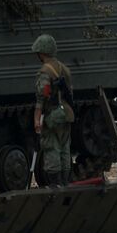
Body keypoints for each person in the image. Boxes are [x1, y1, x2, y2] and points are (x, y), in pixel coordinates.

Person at [32, 34, 75, 187]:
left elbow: (41, 98)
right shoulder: (65, 69)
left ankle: (55, 186)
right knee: (64, 147)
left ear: (42, 53)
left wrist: (37, 119)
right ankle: (65, 183)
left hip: (52, 116)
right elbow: (70, 92)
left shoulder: (45, 72)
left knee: (51, 147)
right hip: (66, 113)